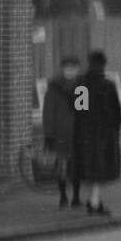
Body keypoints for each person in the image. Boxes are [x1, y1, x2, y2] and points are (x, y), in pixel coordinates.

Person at [72, 50, 121, 216]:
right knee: (100, 170)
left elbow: (78, 110)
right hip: (103, 135)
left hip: (84, 135)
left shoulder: (81, 84)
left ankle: (94, 200)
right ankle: (94, 202)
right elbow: (115, 113)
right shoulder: (108, 85)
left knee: (89, 169)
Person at [43, 56, 81, 209]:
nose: (70, 72)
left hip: (77, 134)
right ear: (63, 69)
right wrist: (49, 135)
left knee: (77, 167)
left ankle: (76, 198)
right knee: (61, 166)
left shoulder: (81, 87)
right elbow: (48, 113)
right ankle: (63, 196)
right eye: (67, 69)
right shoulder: (53, 88)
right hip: (60, 134)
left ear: (77, 70)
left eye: (73, 69)